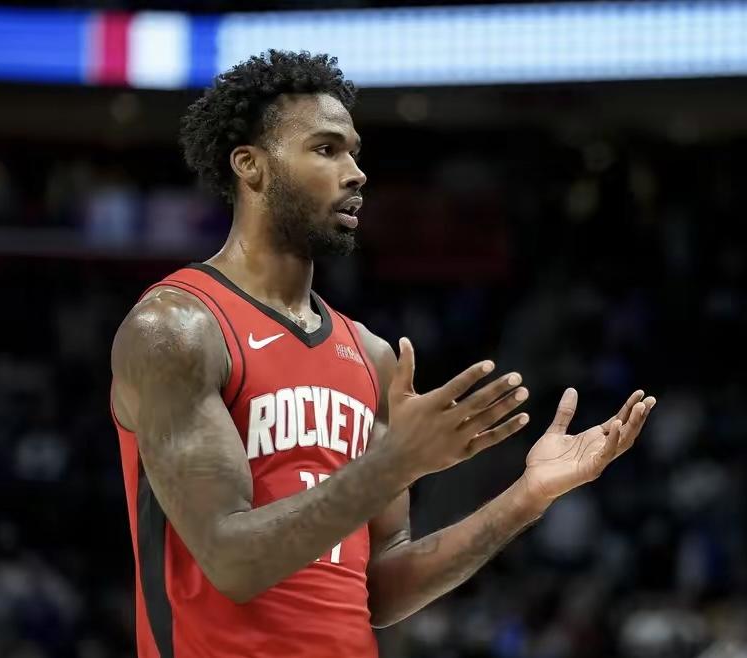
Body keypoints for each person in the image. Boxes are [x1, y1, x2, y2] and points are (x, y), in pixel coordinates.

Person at [109, 50, 656, 658]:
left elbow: (381, 591)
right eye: (326, 149)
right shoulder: (178, 329)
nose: (356, 173)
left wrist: (528, 497)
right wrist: (396, 463)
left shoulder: (369, 356)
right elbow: (230, 560)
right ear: (250, 166)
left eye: (355, 152)